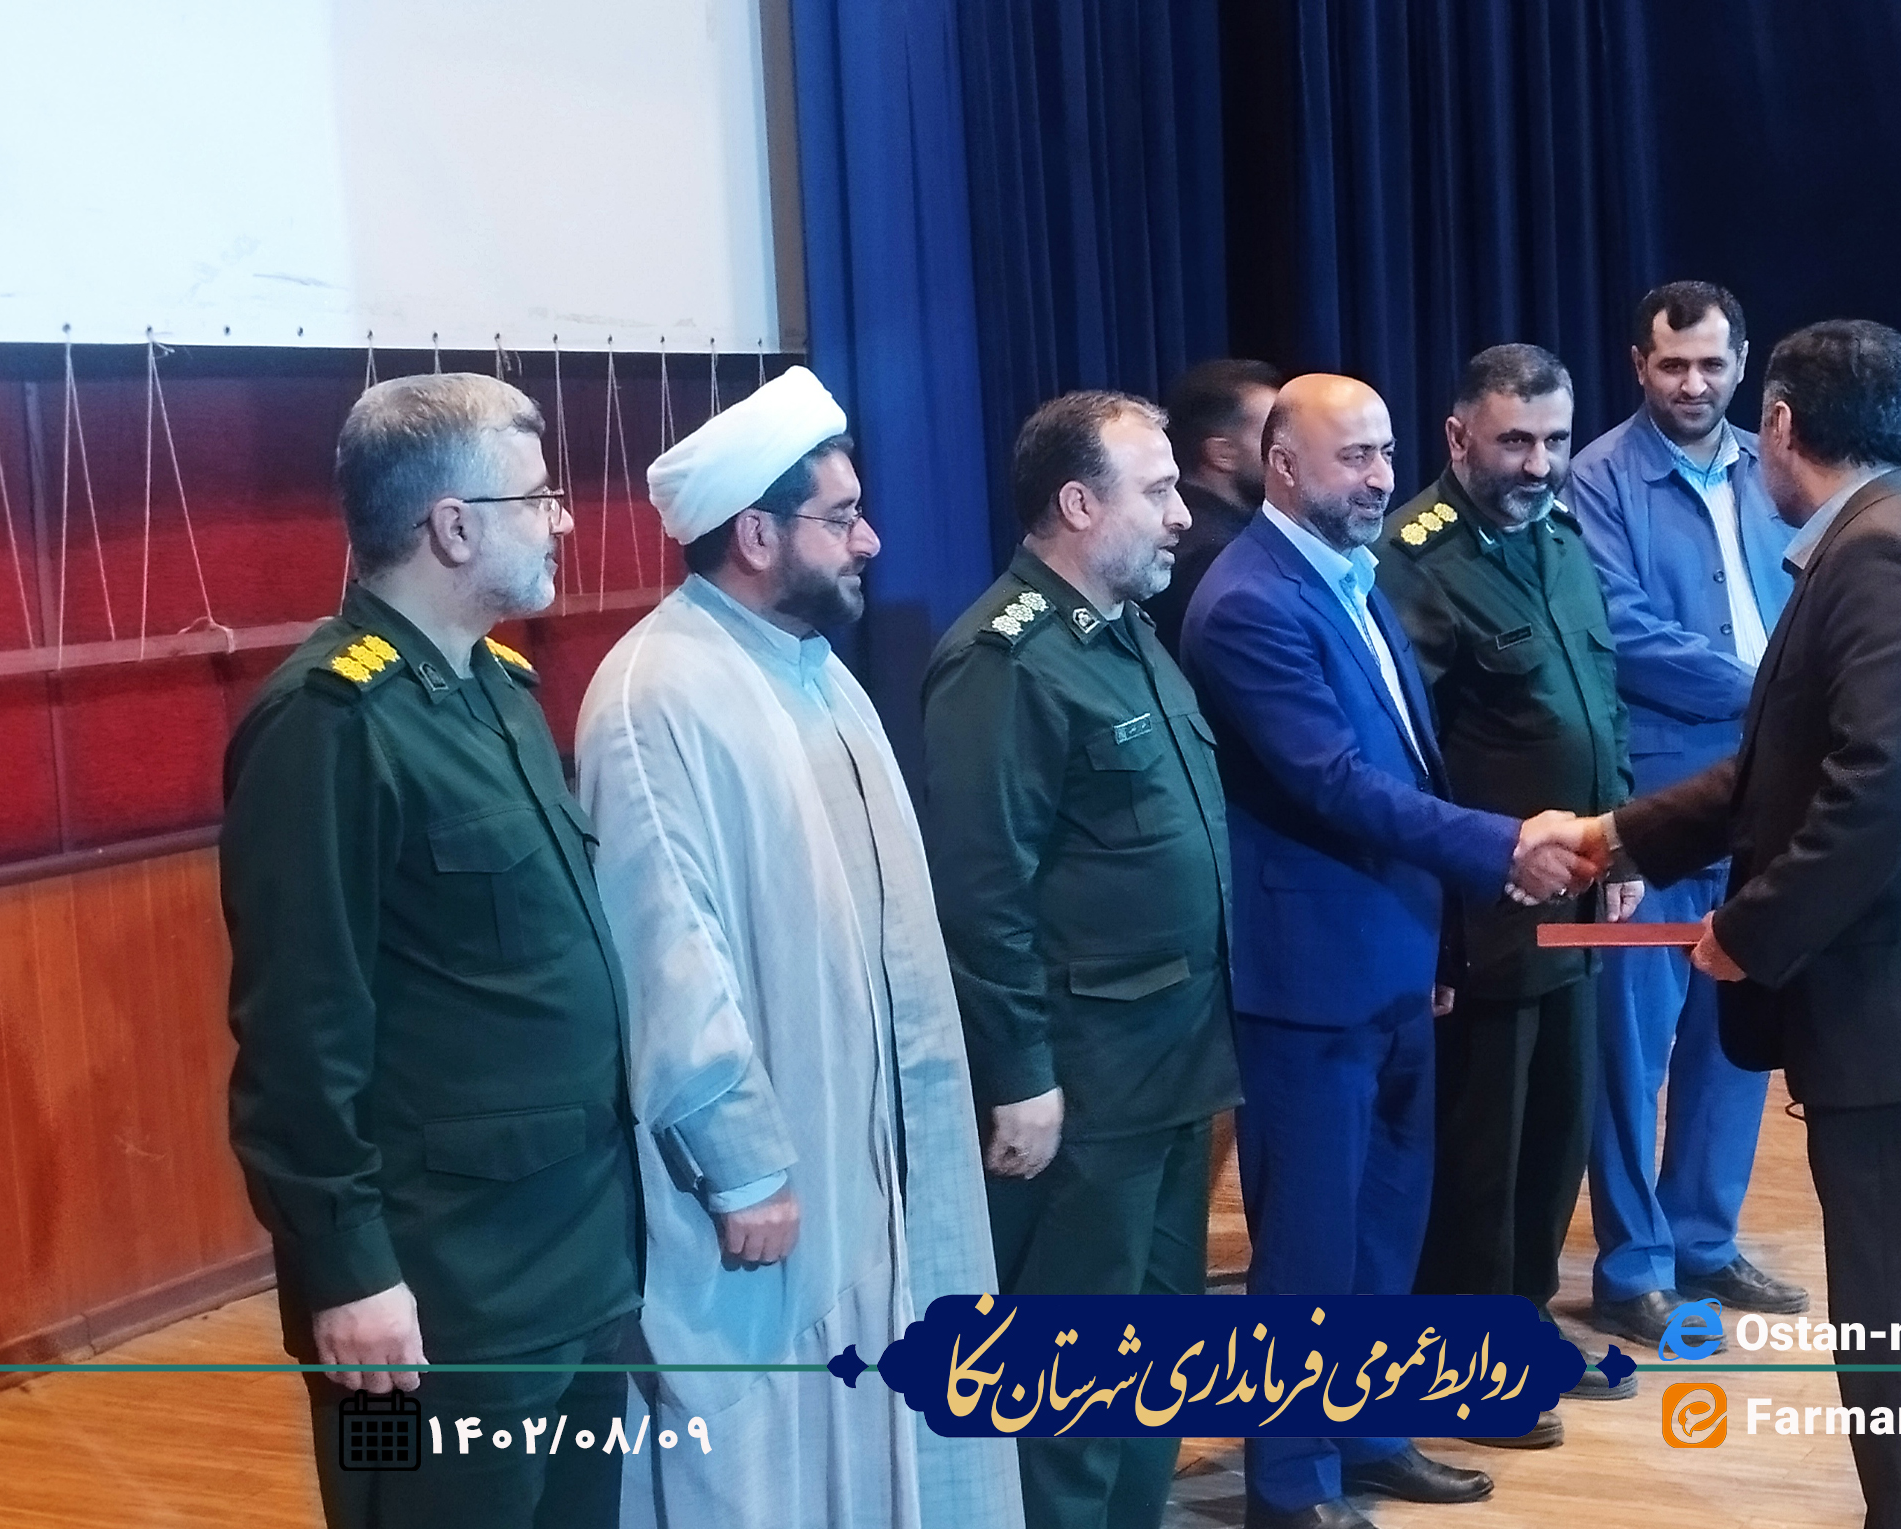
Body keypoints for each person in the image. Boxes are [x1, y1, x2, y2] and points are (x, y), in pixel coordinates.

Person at [1558, 321, 1901, 1528]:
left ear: (1780, 423)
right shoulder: (1896, 537)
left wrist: (1750, 929)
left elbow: (1870, 793)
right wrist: (1614, 836)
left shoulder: (1883, 560)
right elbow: (1775, 772)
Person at [574, 367, 1022, 1529]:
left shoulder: (816, 671)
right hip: (772, 1183)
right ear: (758, 533)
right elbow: (670, 951)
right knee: (764, 1461)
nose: (870, 539)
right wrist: (743, 1163)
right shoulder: (657, 692)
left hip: (867, 1157)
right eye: (842, 516)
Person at [1177, 372, 1597, 1529]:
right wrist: (1504, 844)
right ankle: (1290, 1480)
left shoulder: (1348, 574)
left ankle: (1365, 1431)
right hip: (1307, 978)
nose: (1378, 478)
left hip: (1396, 956)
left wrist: (1443, 941)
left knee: (1384, 1223)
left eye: (1384, 453)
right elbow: (1335, 782)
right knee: (1308, 1242)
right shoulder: (1248, 600)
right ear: (1284, 467)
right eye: (1353, 456)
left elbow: (1412, 758)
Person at [220, 373, 639, 1529]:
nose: (563, 519)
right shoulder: (327, 723)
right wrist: (347, 1266)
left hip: (570, 1260)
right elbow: (299, 1031)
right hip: (432, 1292)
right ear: (452, 525)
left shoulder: (498, 687)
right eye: (538, 497)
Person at [922, 390, 1239, 1529]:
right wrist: (1019, 1071)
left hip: (1175, 1066)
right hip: (1087, 1079)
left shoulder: (1125, 631)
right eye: (1157, 491)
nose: (1182, 515)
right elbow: (982, 889)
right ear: (1077, 503)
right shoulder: (1003, 659)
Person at [1372, 344, 1639, 1450]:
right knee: (1482, 1145)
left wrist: (1624, 842)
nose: (1538, 463)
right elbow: (1405, 756)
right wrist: (1446, 912)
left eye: (1555, 439)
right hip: (1483, 909)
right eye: (1514, 441)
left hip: (1576, 897)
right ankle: (1462, 1364)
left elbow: (1601, 704)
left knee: (1555, 1134)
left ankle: (1521, 1323)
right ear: (1457, 438)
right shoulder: (1415, 561)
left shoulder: (1562, 540)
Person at [1566, 281, 1807, 1346]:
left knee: (1736, 1027)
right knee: (1634, 1047)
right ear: (1639, 365)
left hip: (1771, 790)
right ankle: (1633, 1265)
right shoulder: (1596, 478)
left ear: (1743, 362)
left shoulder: (1774, 465)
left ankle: (1706, 1237)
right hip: (1657, 801)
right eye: (1673, 365)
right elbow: (1618, 628)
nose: (1694, 384)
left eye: (1712, 364)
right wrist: (1776, 688)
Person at [1146, 358, 1282, 659]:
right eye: (1273, 435)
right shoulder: (1211, 556)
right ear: (1222, 454)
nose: (1288, 450)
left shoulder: (1233, 534)